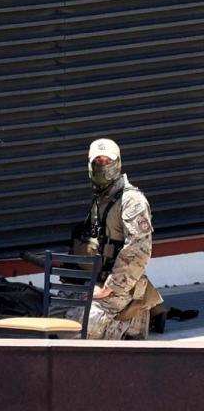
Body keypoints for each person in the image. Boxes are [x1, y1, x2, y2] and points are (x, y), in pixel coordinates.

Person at [68, 138, 162, 339]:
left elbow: (140, 250)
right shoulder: (100, 199)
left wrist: (109, 288)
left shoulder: (132, 201)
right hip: (96, 282)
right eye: (98, 162)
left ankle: (131, 323)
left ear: (118, 163)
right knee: (50, 313)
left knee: (76, 327)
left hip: (121, 287)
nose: (103, 166)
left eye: (107, 161)